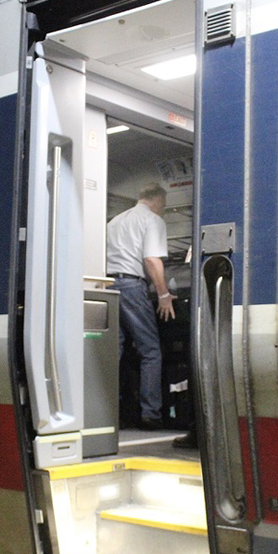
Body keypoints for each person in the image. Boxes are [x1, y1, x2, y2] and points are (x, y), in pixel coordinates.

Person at [107, 182, 176, 429]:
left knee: (114, 351)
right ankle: (150, 414)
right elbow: (151, 259)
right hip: (132, 287)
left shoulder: (114, 221)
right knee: (151, 351)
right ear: (157, 201)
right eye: (164, 206)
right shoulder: (152, 220)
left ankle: (107, 413)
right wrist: (164, 295)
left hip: (107, 286)